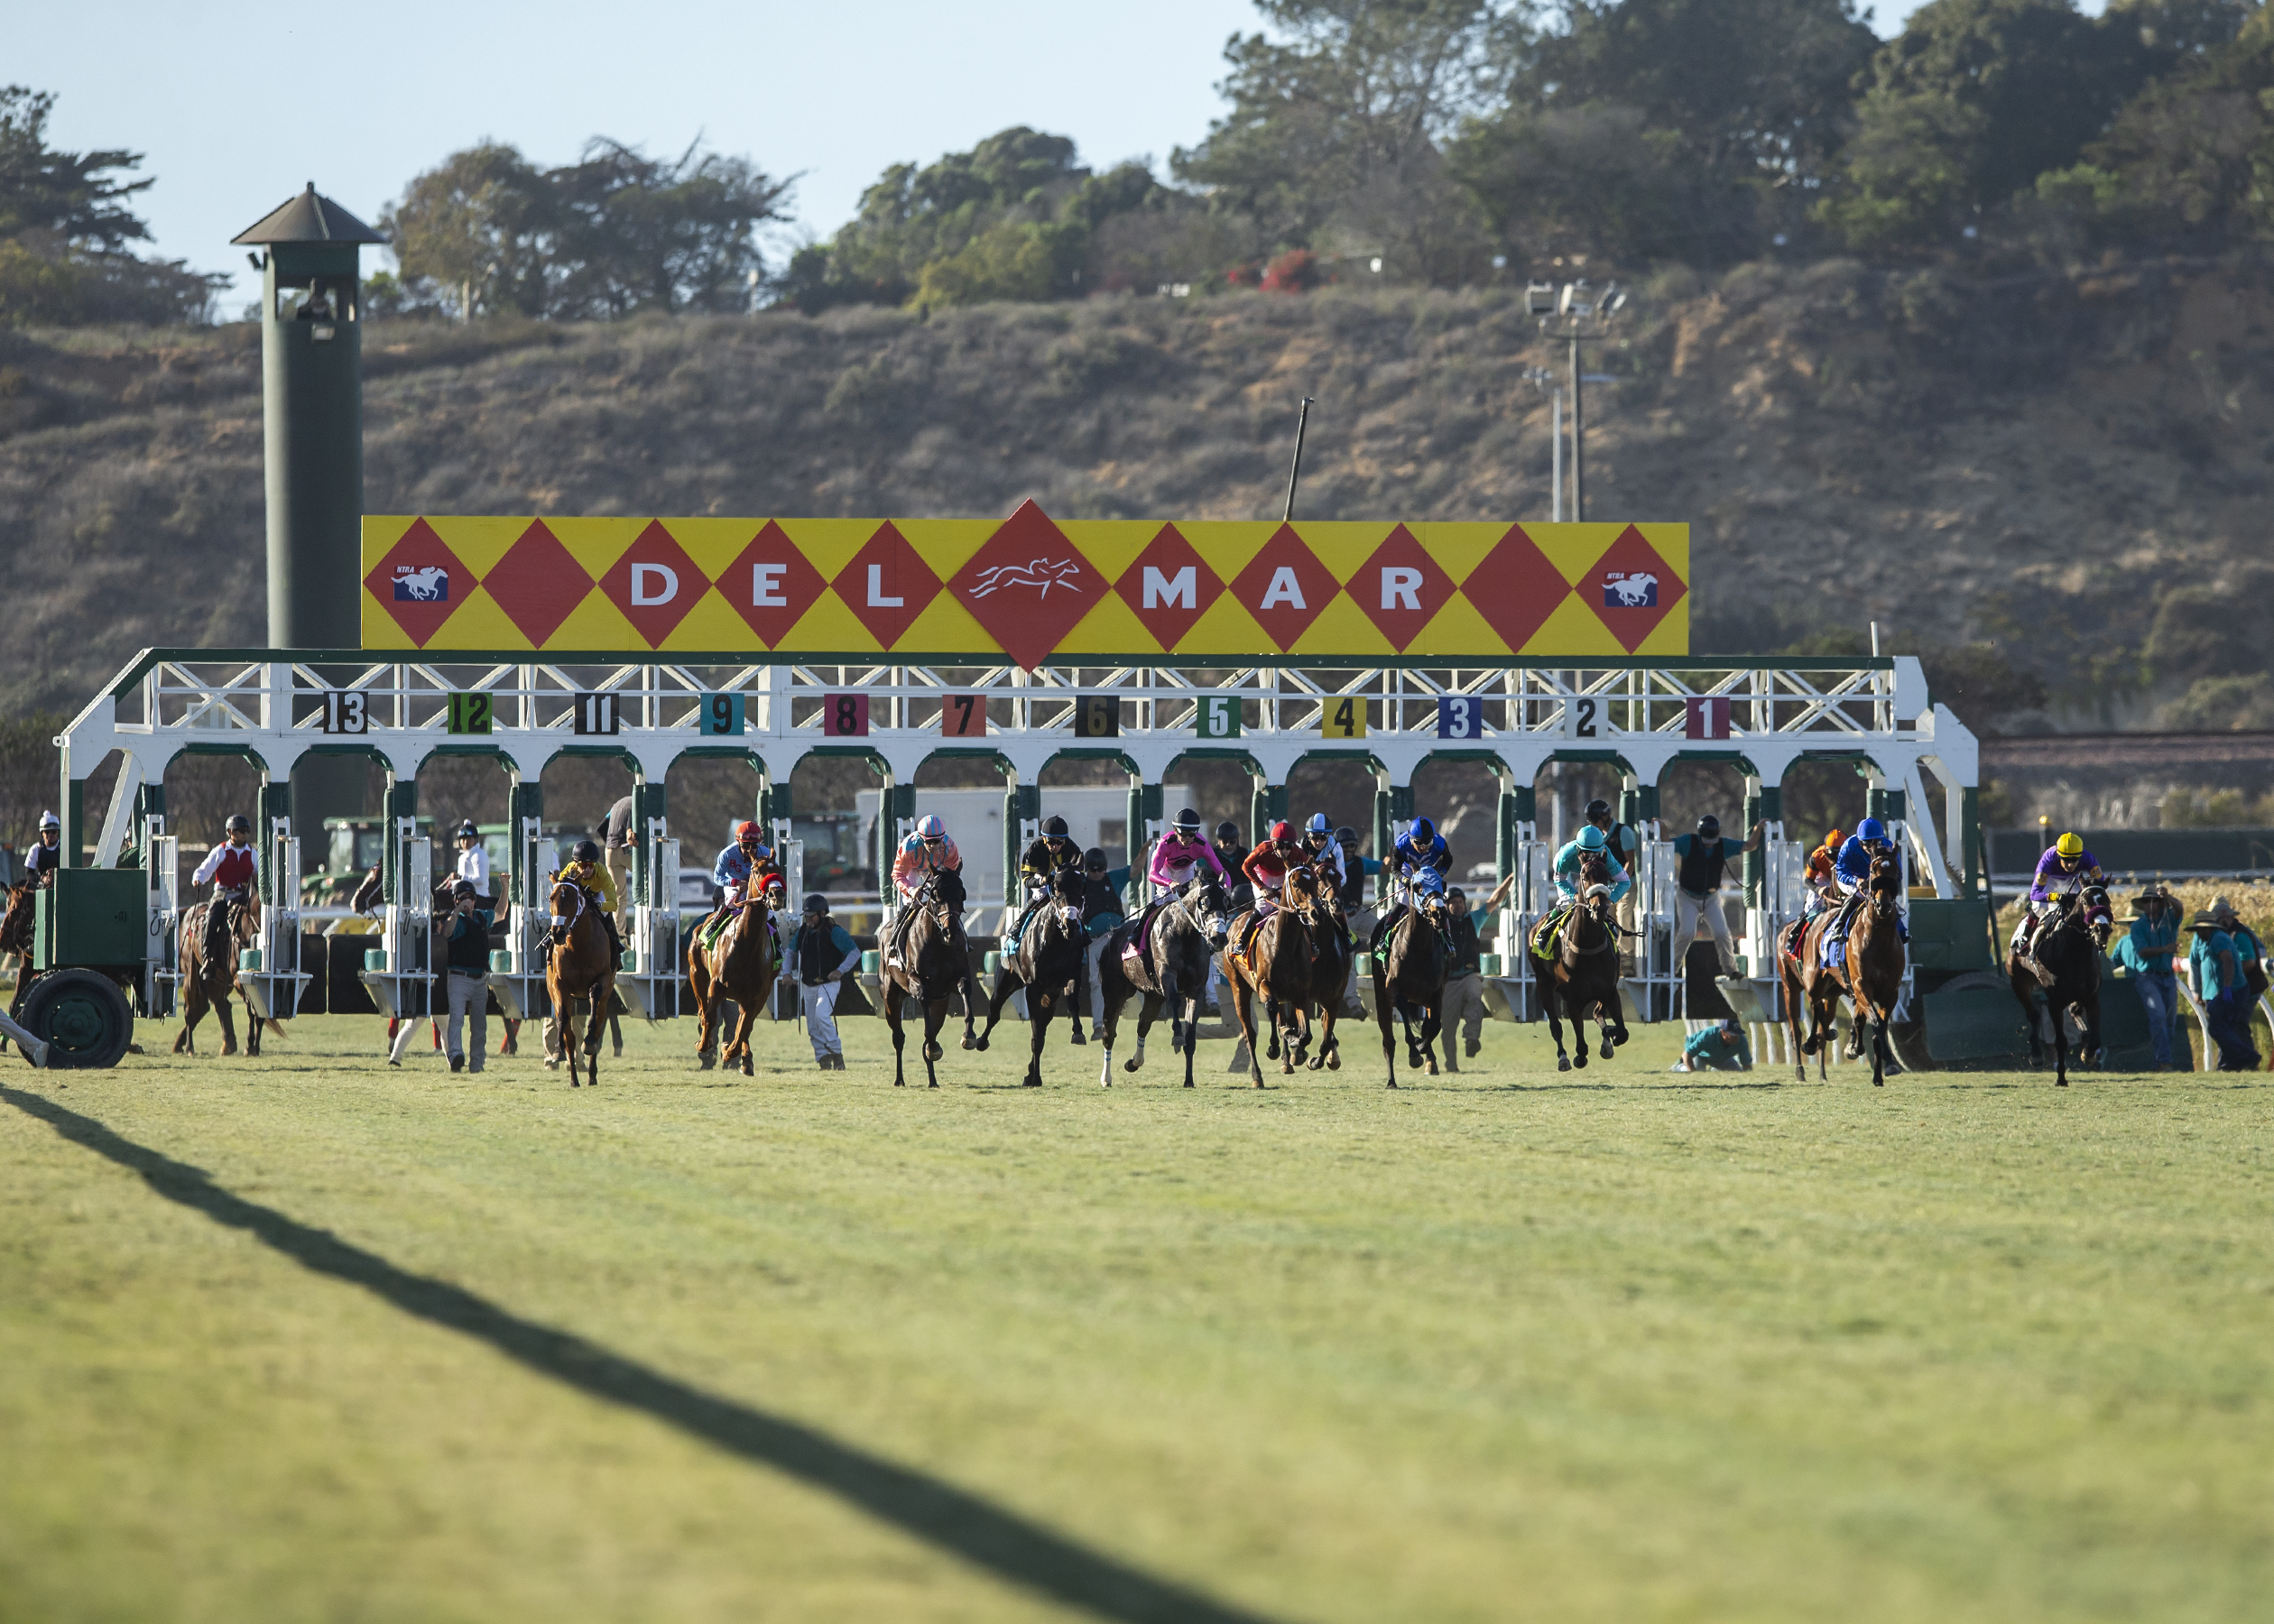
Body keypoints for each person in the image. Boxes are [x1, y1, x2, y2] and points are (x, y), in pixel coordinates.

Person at [1668, 815, 1765, 979]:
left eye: (1712, 839)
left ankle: (1731, 970)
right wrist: (1663, 828)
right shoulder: (1687, 842)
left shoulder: (1723, 845)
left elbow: (1750, 846)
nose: (1709, 843)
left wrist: (1757, 830)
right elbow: (1666, 845)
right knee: (1687, 932)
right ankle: (1671, 969)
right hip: (1687, 896)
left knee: (1722, 933)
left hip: (1711, 898)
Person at [2011, 832, 2108, 978]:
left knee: (2086, 903)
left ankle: (2094, 936)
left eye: (2074, 860)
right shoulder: (2048, 861)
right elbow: (2035, 895)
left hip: (2073, 879)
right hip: (2050, 879)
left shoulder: (2088, 859)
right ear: (2058, 856)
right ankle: (2025, 938)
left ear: (2080, 857)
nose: (2070, 864)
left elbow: (2100, 884)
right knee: (2040, 907)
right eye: (2066, 859)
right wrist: (2055, 897)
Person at [1530, 822, 1631, 959]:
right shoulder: (1565, 856)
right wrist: (1575, 894)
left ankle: (1609, 929)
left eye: (1595, 852)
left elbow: (1625, 881)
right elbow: (1560, 879)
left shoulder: (1606, 855)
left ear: (1601, 848)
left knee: (1599, 902)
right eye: (1586, 852)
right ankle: (1545, 931)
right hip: (1568, 872)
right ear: (1578, 849)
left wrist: (1610, 900)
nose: (1590, 856)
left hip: (1592, 873)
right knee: (1568, 902)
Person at [1823, 818, 1907, 969]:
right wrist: (1856, 881)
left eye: (1875, 842)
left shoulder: (1888, 846)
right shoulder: (1849, 845)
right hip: (1850, 879)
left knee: (1885, 899)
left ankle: (1901, 929)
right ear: (1859, 840)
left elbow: (1898, 872)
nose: (1871, 847)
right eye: (1867, 843)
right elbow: (1841, 872)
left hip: (1874, 878)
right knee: (1860, 894)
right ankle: (1839, 927)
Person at [2113, 887, 2181, 1070]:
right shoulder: (2137, 927)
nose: (2150, 904)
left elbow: (2180, 910)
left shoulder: (2168, 921)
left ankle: (2160, 1062)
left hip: (2168, 977)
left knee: (2170, 1022)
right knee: (2158, 1016)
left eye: (2154, 900)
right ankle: (2165, 1061)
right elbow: (2142, 952)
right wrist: (2165, 949)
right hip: (2148, 977)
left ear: (2160, 903)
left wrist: (2169, 897)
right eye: (2146, 901)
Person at [792, 894, 862, 1070]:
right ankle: (823, 1059)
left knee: (821, 1015)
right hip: (808, 984)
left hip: (828, 984)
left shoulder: (835, 931)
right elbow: (789, 952)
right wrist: (786, 972)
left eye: (811, 916)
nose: (808, 920)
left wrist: (840, 970)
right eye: (806, 916)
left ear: (823, 913)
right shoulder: (803, 931)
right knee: (812, 1026)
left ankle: (836, 1054)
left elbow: (854, 952)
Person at [887, 814, 963, 965]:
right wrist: (911, 890)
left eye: (936, 841)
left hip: (935, 870)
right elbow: (897, 874)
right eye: (929, 841)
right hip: (912, 869)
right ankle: (894, 942)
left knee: (946, 901)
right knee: (912, 902)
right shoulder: (908, 847)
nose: (933, 846)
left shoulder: (950, 848)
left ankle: (963, 941)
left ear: (942, 838)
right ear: (921, 838)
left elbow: (950, 876)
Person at [2189, 909, 2260, 1070]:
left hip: (2231, 990)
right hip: (2218, 992)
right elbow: (2195, 963)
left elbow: (2228, 962)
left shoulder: (2219, 939)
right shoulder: (2203, 940)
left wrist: (2226, 988)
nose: (2200, 932)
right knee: (2223, 1029)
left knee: (2218, 1028)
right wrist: (2198, 990)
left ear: (2210, 927)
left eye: (2202, 929)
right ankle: (2234, 1063)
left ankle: (2248, 1057)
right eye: (2198, 929)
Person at [1370, 816, 1454, 952]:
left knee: (1437, 903)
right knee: (1402, 901)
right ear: (1411, 839)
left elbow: (1448, 861)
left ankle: (1447, 938)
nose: (1424, 847)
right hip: (1408, 870)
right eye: (1419, 843)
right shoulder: (1401, 844)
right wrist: (1404, 880)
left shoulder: (1440, 843)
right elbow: (1395, 869)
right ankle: (1384, 938)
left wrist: (1440, 873)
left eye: (1427, 842)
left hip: (1430, 871)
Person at [1077, 846, 1132, 1039]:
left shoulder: (1114, 878)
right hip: (1096, 939)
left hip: (1120, 935)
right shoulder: (1079, 884)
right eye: (1094, 870)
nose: (1098, 873)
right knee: (1096, 980)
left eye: (1101, 869)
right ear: (1086, 869)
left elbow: (1134, 870)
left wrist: (1144, 851)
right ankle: (1099, 1026)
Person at [440, 879, 493, 1074]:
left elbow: (502, 913)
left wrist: (505, 888)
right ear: (456, 901)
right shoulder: (455, 919)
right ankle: (455, 1056)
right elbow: (447, 932)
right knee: (456, 1020)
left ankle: (477, 1064)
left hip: (480, 980)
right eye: (463, 898)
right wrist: (456, 912)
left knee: (479, 1027)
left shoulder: (481, 917)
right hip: (458, 977)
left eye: (470, 898)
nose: (467, 901)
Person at [701, 822, 778, 955]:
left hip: (757, 887)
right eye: (745, 845)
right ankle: (713, 930)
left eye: (754, 845)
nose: (749, 850)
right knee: (731, 902)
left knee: (770, 913)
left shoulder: (765, 854)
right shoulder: (727, 854)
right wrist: (734, 882)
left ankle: (777, 944)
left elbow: (774, 875)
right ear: (738, 842)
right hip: (734, 885)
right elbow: (717, 877)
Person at [191, 814, 261, 960]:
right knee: (212, 919)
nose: (245, 834)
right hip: (223, 895)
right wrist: (198, 879)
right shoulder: (220, 851)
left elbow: (259, 875)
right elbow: (204, 870)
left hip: (243, 896)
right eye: (241, 831)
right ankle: (207, 958)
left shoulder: (253, 854)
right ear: (230, 832)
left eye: (247, 831)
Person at [1235, 820, 1308, 955]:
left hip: (1283, 873)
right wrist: (1262, 886)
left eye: (1288, 846)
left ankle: (1311, 942)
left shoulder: (1298, 852)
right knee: (1264, 906)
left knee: (1292, 904)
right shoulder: (1263, 849)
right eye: (1280, 846)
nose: (1285, 850)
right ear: (1273, 843)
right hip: (1262, 872)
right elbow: (1245, 866)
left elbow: (1311, 870)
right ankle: (1242, 941)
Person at [553, 838, 623, 966]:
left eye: (591, 865)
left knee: (607, 916)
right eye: (582, 865)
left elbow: (613, 904)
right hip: (577, 898)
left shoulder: (602, 874)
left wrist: (600, 905)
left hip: (595, 896)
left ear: (596, 864)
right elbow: (558, 893)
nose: (586, 869)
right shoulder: (569, 871)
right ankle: (551, 941)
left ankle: (616, 945)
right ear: (575, 864)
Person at [1439, 888, 1485, 1066]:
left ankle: (1472, 1039)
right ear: (1446, 905)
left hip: (1469, 975)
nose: (1458, 905)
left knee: (1475, 995)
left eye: (1460, 902)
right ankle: (1451, 1064)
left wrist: (1510, 879)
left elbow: (1494, 901)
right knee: (1448, 1028)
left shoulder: (1473, 919)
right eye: (1453, 902)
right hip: (1449, 981)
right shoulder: (1439, 924)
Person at [1672, 1018, 1752, 1073]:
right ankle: (1679, 1068)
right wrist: (1692, 1074)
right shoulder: (1709, 1035)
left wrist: (1750, 1078)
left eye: (1737, 1034)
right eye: (1732, 1035)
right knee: (1699, 1071)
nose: (1736, 1038)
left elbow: (1746, 1064)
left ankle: (1714, 1070)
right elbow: (1687, 1054)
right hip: (1700, 1055)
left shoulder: (1741, 1040)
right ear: (1722, 1032)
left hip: (1721, 1057)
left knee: (1737, 1072)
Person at [1212, 821, 1253, 911]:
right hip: (1220, 906)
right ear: (1218, 841)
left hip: (1245, 904)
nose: (1228, 845)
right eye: (1225, 841)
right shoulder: (1210, 856)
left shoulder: (1247, 854)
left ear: (1237, 841)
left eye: (1232, 842)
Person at [452, 820, 492, 907]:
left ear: (476, 840)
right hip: (465, 899)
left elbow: (480, 879)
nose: (466, 842)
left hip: (480, 899)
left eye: (469, 839)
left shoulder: (478, 854)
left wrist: (460, 877)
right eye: (463, 839)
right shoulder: (462, 857)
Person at [21, 810, 62, 886]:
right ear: (42, 833)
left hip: (63, 886)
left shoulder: (64, 848)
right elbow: (29, 873)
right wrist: (43, 878)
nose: (50, 835)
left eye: (53, 832)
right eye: (47, 832)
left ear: (58, 833)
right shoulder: (36, 849)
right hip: (42, 887)